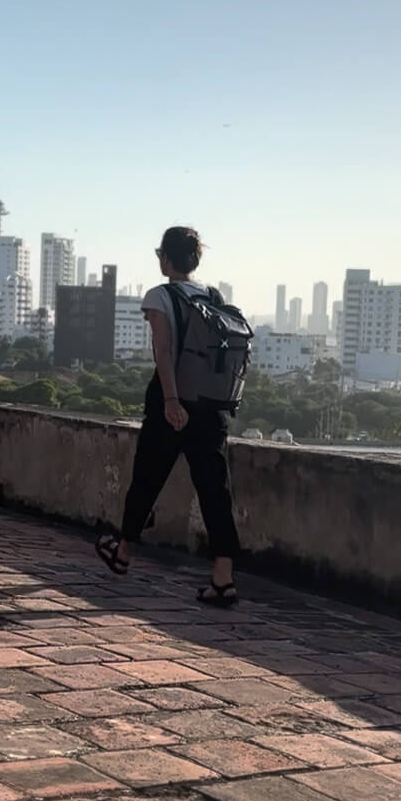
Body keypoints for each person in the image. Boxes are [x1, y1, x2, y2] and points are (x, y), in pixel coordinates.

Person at [96, 225, 241, 607]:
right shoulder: (213, 296)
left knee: (147, 478)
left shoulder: (160, 296)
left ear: (165, 257)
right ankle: (223, 577)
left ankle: (123, 551)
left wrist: (171, 401)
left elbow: (163, 352)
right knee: (215, 490)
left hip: (171, 400)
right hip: (210, 406)